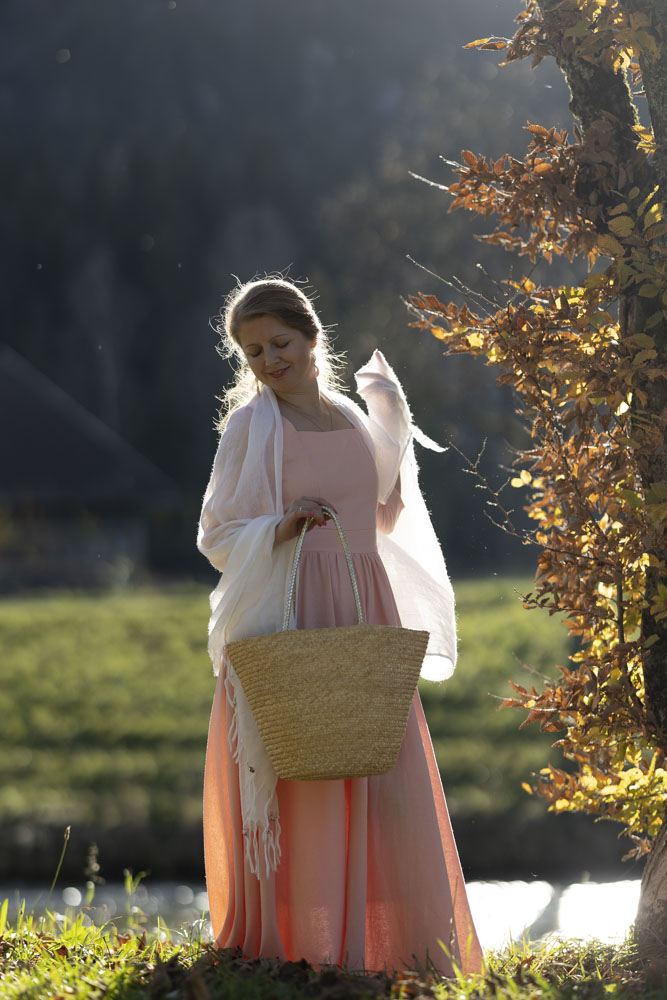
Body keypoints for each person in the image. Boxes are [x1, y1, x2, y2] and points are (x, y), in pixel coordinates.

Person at [197, 277, 483, 975]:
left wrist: (394, 440)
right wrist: (280, 525)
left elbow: (377, 518)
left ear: (312, 337)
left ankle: (394, 950)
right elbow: (216, 533)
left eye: (280, 343)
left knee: (376, 772)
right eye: (254, 351)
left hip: (361, 603)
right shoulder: (251, 427)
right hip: (291, 610)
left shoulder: (353, 418)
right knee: (306, 777)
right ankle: (300, 951)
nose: (269, 360)